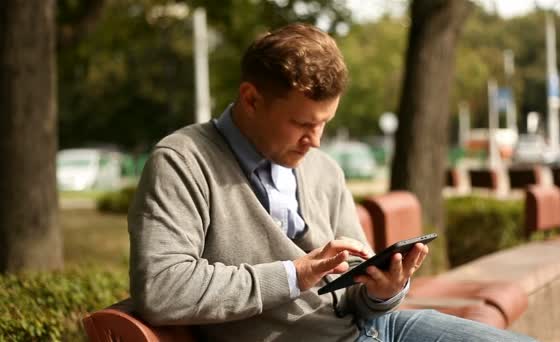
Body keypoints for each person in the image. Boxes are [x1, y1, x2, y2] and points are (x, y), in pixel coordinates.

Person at [128, 23, 534, 342]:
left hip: (379, 330)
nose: (316, 140)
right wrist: (294, 274)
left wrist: (383, 290)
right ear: (251, 99)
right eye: (303, 124)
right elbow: (164, 288)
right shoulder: (182, 162)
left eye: (324, 123)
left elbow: (360, 297)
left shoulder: (322, 169)